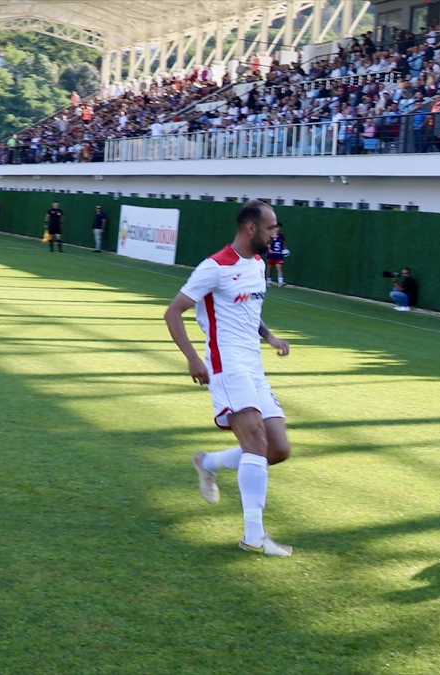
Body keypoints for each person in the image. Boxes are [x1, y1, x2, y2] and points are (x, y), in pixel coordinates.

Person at [164, 200, 295, 557]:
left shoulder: (258, 263)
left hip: (253, 366)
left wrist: (270, 337)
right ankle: (254, 535)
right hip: (226, 366)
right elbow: (173, 312)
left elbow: (250, 311)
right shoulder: (215, 266)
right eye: (271, 228)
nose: (275, 234)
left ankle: (207, 463)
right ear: (251, 228)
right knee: (255, 442)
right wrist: (192, 358)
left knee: (278, 449)